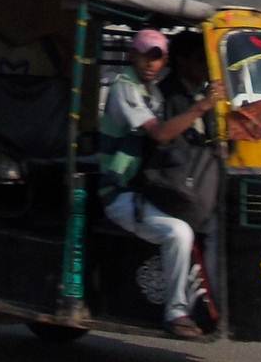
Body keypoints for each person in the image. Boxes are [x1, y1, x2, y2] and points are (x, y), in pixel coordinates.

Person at [98, 28, 222, 340]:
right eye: (146, 56)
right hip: (120, 192)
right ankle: (176, 312)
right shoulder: (125, 87)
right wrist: (202, 106)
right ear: (133, 55)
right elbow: (160, 134)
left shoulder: (151, 90)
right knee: (179, 233)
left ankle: (209, 304)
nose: (151, 63)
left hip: (147, 189)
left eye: (158, 57)